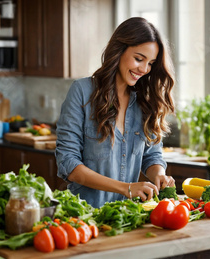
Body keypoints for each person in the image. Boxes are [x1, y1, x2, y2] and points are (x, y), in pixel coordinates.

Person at [55, 17, 175, 208]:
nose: (144, 69)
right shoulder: (82, 91)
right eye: (138, 59)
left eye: (151, 63)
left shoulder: (146, 101)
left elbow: (151, 156)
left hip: (126, 217)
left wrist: (159, 174)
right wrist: (126, 188)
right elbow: (68, 163)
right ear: (119, 50)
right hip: (84, 214)